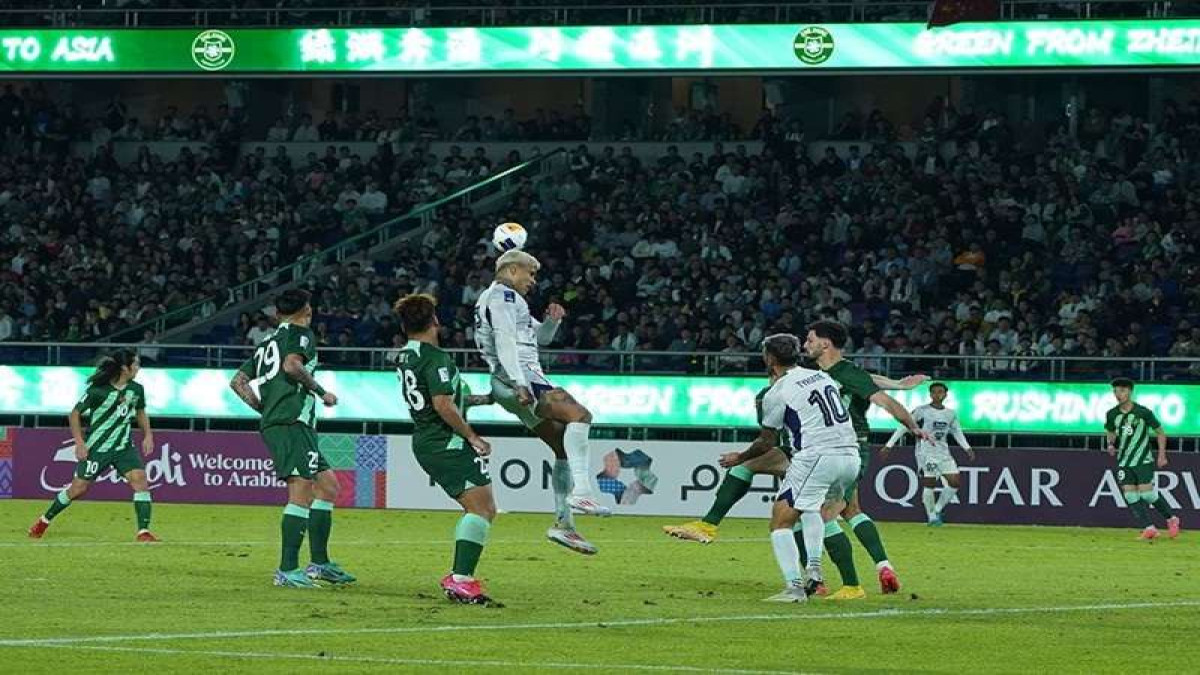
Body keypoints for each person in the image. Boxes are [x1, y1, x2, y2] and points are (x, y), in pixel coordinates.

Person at [664, 320, 927, 597]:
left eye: (811, 339)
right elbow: (866, 379)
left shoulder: (786, 389)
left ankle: (827, 584)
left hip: (818, 453)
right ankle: (832, 573)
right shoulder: (824, 375)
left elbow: (767, 439)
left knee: (796, 517)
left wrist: (911, 421)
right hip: (845, 451)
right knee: (821, 510)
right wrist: (898, 385)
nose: (806, 344)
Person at [474, 249, 609, 556]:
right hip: (521, 378)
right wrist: (520, 382)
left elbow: (540, 338)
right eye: (529, 273)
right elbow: (505, 340)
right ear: (511, 271)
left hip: (506, 382)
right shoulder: (503, 297)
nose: (533, 280)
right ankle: (583, 493)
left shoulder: (504, 300)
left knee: (562, 446)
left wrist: (552, 321)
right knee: (580, 415)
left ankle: (564, 525)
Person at [229, 289, 356, 588]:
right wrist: (320, 391)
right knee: (301, 490)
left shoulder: (267, 342)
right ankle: (287, 569)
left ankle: (320, 564)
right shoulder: (301, 333)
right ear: (306, 310)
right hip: (291, 422)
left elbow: (238, 381)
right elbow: (291, 366)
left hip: (288, 422)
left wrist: (262, 407)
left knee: (328, 487)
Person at [394, 293, 500, 605]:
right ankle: (460, 579)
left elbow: (442, 397)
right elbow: (442, 404)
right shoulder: (435, 358)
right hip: (446, 441)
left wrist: (484, 399)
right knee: (482, 509)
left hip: (427, 439)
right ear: (435, 321)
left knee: (483, 508)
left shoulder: (405, 356)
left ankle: (460, 578)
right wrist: (473, 437)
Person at [28, 350, 159, 542]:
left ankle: (143, 532)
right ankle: (44, 520)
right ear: (125, 368)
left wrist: (148, 435)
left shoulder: (136, 389)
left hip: (123, 447)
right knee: (78, 489)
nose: (138, 368)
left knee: (139, 479)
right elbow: (74, 414)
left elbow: (140, 412)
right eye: (136, 364)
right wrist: (80, 443)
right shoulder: (98, 391)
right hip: (97, 448)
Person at [881, 382, 975, 526]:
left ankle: (937, 509)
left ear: (945, 395)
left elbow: (957, 431)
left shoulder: (950, 414)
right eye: (934, 392)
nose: (937, 394)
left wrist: (967, 448)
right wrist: (889, 445)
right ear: (930, 394)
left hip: (943, 452)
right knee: (929, 483)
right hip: (925, 452)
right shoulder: (921, 411)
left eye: (940, 392)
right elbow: (904, 426)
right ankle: (931, 517)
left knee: (955, 482)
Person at [1104, 378, 1181, 541]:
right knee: (1130, 496)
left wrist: (1161, 455)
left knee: (1147, 494)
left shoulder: (1143, 412)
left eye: (1122, 391)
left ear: (1130, 392)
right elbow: (1110, 432)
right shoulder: (1112, 414)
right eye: (1116, 391)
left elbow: (1160, 432)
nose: (1119, 395)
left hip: (1142, 459)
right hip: (1124, 460)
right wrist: (1110, 444)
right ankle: (1149, 528)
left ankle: (1171, 518)